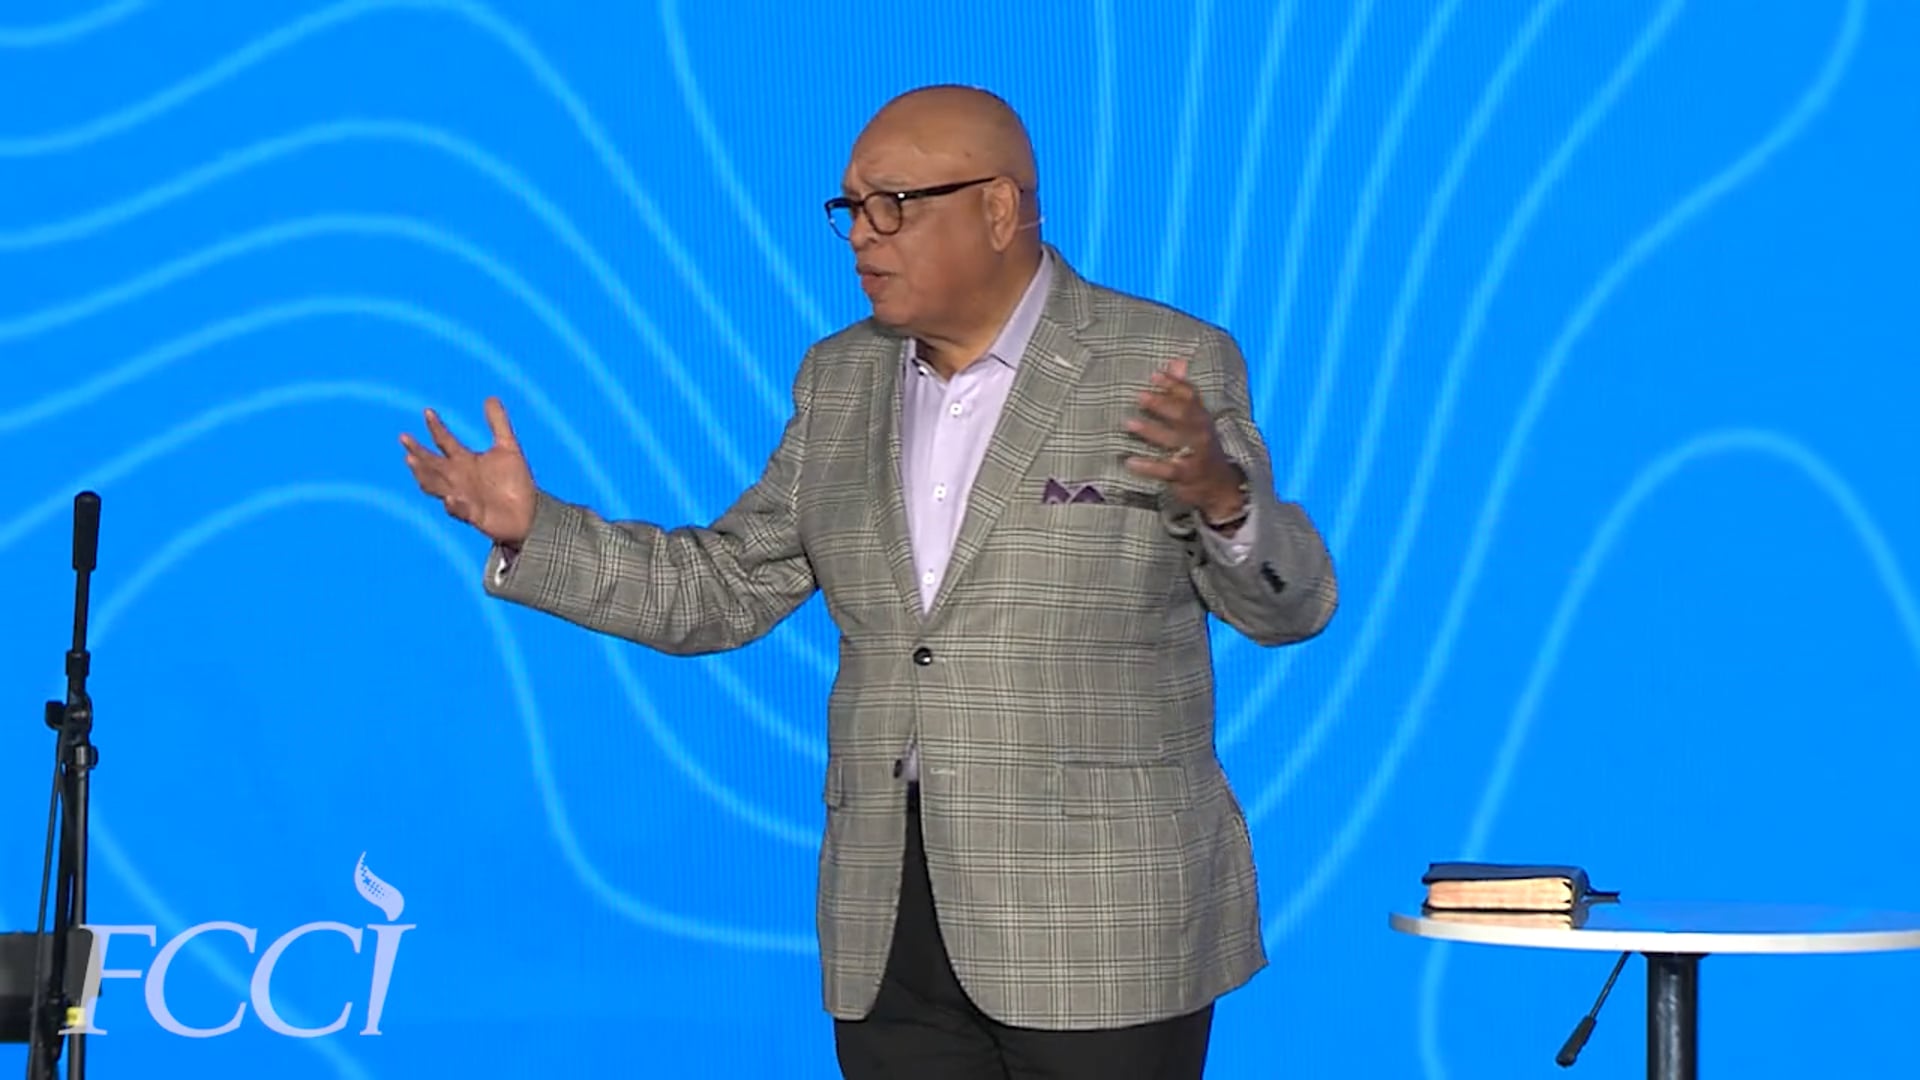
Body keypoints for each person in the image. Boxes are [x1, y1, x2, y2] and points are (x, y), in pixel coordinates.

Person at [401, 84, 1337, 1080]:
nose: (860, 234)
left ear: (999, 209)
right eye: (850, 207)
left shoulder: (1161, 361)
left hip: (1101, 923)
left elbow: (1292, 605)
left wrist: (1224, 501)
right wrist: (534, 529)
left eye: (892, 204)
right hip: (888, 923)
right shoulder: (840, 378)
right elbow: (722, 586)